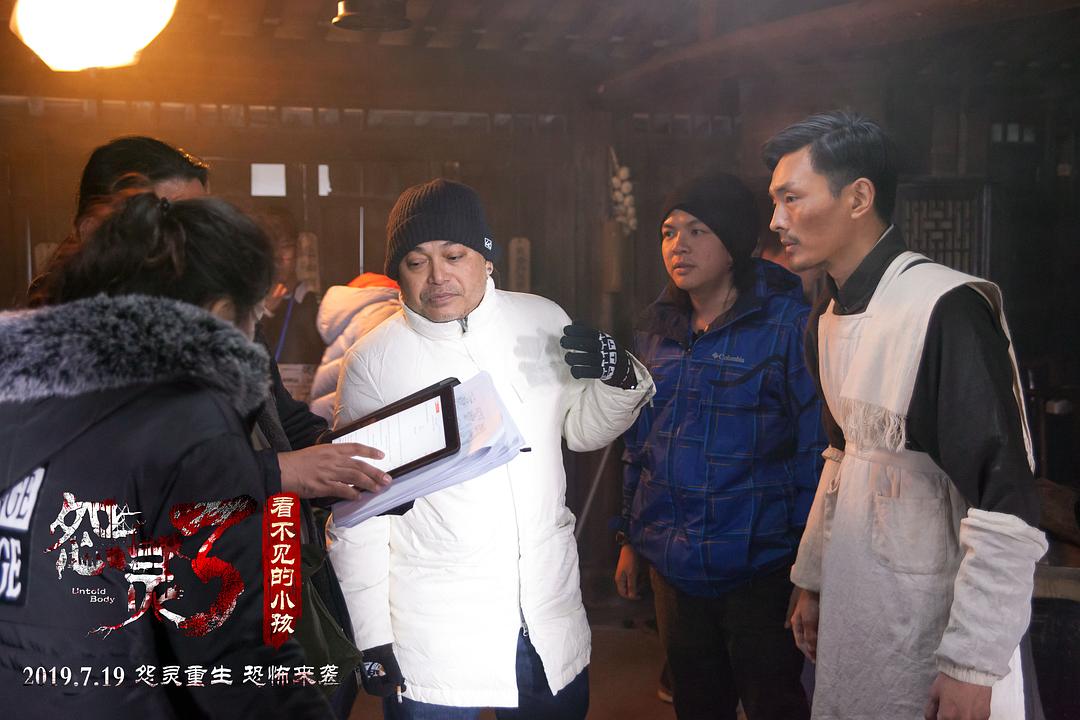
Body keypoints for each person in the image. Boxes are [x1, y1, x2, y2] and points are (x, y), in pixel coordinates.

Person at [38, 135, 382, 718]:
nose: (191, 240)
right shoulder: (52, 347)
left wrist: (341, 456)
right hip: (156, 593)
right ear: (98, 225)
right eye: (171, 219)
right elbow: (105, 496)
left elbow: (280, 414)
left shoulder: (218, 311)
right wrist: (277, 472)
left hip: (267, 538)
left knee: (282, 655)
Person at [328, 178, 655, 719]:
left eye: (454, 255)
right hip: (433, 629)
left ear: (486, 256)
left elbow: (581, 430)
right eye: (416, 262)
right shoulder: (374, 360)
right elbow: (359, 514)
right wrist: (371, 636)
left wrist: (620, 378)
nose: (438, 276)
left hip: (544, 611)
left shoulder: (541, 319)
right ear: (398, 274)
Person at [763, 111, 1047, 720]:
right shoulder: (826, 318)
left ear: (858, 197)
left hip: (934, 617)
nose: (776, 221)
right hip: (860, 596)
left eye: (792, 198)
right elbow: (842, 458)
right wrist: (813, 577)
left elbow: (1005, 500)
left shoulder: (944, 307)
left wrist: (973, 662)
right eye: (775, 202)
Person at [615, 171, 824, 720]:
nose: (677, 245)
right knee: (696, 705)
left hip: (761, 567)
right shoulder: (654, 330)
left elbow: (813, 454)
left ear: (733, 244)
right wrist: (629, 538)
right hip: (674, 568)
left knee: (774, 704)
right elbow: (639, 442)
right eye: (668, 232)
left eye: (697, 230)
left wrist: (810, 570)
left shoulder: (789, 328)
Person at [310, 272, 401, 422]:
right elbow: (374, 376)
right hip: (348, 418)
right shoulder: (383, 311)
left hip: (329, 412)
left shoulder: (358, 314)